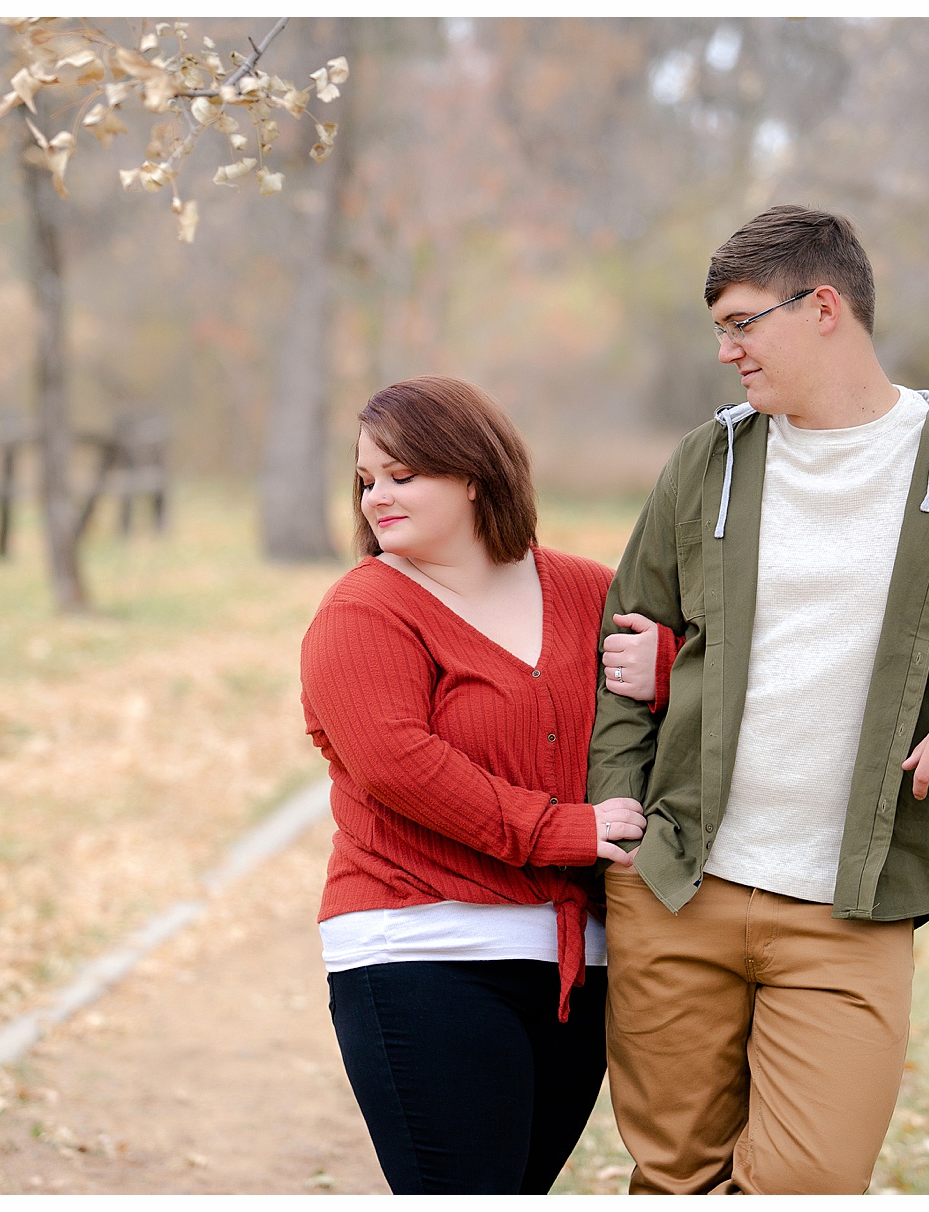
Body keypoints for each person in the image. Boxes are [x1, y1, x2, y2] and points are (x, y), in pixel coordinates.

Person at [588, 205, 929, 1194]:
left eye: (743, 322)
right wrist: (621, 827)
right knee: (671, 1182)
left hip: (850, 910)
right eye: (718, 328)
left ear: (823, 306)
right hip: (676, 886)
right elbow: (629, 642)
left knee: (809, 1183)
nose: (725, 350)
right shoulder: (711, 461)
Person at [299, 374, 678, 1194]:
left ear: (475, 472)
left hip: (580, 964)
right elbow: (399, 763)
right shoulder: (366, 610)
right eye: (366, 480)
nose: (376, 499)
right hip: (421, 948)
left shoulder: (587, 591)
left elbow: (689, 716)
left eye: (403, 476)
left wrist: (668, 672)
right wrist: (563, 831)